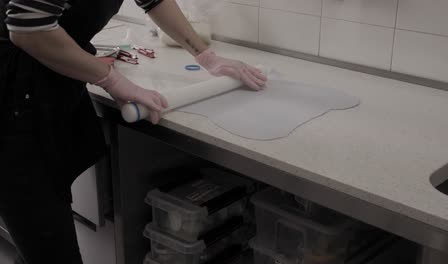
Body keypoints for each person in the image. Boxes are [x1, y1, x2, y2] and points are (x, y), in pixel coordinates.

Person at [0, 0, 267, 262]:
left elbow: (155, 0)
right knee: (47, 240)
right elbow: (28, 27)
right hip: (11, 94)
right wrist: (110, 79)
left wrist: (206, 56)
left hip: (52, 77)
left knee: (43, 219)